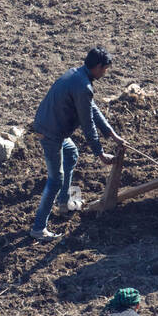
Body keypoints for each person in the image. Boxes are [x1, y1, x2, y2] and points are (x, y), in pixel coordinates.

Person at [30, 46, 124, 240]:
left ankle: (64, 203)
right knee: (55, 179)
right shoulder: (83, 86)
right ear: (98, 67)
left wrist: (111, 133)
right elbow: (87, 123)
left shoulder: (78, 75)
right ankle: (38, 228)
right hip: (50, 133)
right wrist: (100, 153)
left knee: (71, 152)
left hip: (52, 126)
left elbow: (92, 109)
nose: (105, 73)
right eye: (105, 69)